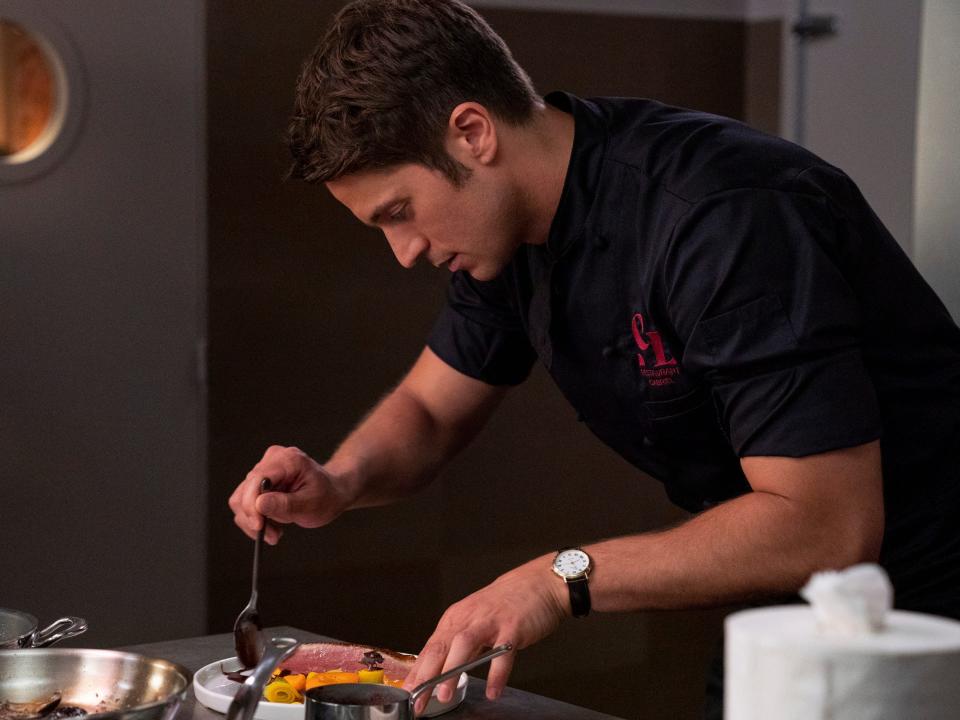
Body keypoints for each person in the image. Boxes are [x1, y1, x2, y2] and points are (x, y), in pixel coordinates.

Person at [228, 0, 960, 716]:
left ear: (473, 133)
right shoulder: (504, 236)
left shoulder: (722, 217)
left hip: (931, 603)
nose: (405, 251)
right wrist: (338, 480)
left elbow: (824, 525)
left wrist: (557, 580)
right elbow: (427, 410)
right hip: (794, 602)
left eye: (399, 212)